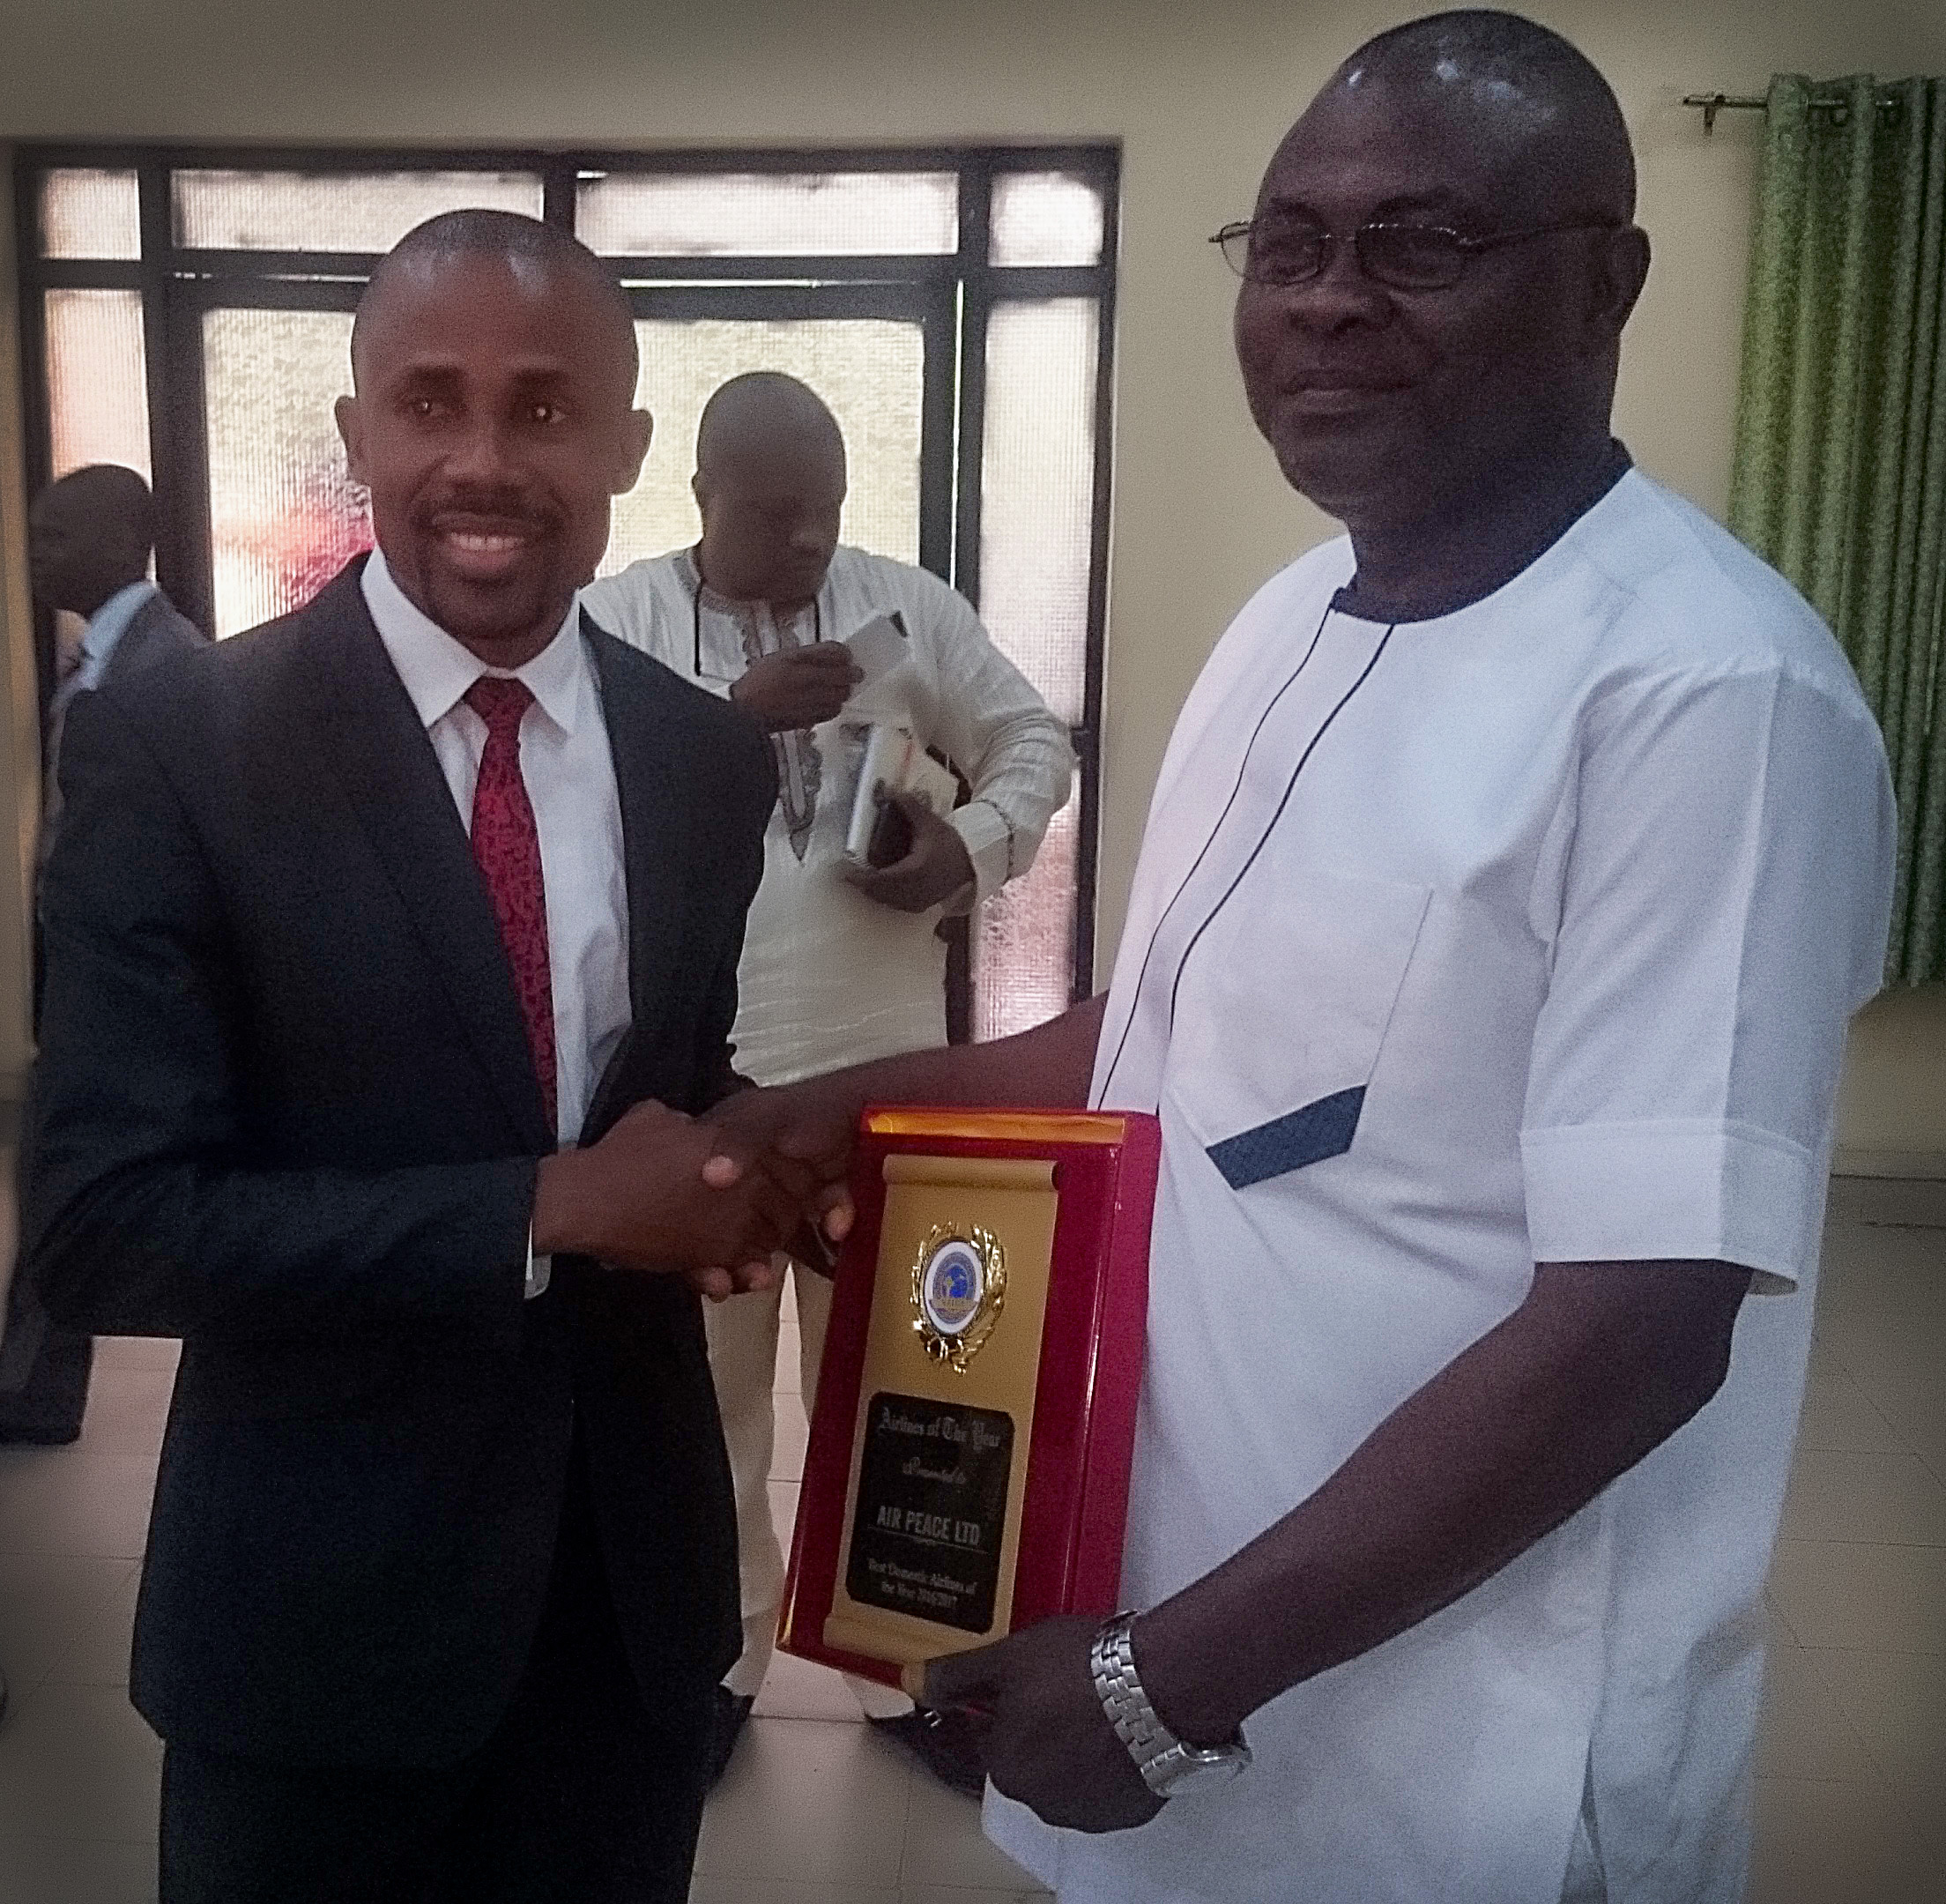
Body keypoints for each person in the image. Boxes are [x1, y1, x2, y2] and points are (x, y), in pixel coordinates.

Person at [703, 12, 1898, 1901]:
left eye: (1420, 246)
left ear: (1610, 285)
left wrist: (1174, 1684)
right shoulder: (1291, 618)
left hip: (1456, 1737)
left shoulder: (1705, 696)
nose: (1329, 305)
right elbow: (1166, 1034)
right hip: (1171, 1599)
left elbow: (1639, 1327)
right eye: (1288, 247)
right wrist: (826, 1114)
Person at [19, 210, 825, 1904]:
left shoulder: (697, 762)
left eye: (541, 410)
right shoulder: (181, 748)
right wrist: (545, 1208)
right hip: (312, 1631)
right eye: (428, 401)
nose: (481, 461)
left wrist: (760, 1170)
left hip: (627, 1612)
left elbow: (666, 1085)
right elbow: (107, 1222)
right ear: (357, 431)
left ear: (623, 444)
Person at [581, 370, 1073, 1788]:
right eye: (777, 514)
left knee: (905, 1388)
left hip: (884, 1083)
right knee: (711, 1398)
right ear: (701, 500)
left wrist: (966, 846)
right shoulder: (615, 622)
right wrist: (731, 715)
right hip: (695, 1082)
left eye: (828, 512)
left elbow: (1035, 740)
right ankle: (719, 1663)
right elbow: (576, 791)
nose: (808, 543)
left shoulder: (905, 606)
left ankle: (904, 1678)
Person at [0, 464, 207, 1449]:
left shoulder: (165, 666)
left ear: (127, 539)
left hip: (124, 976)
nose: (37, 557)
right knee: (54, 1163)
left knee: (64, 1163)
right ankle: (36, 1387)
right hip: (81, 960)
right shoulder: (101, 658)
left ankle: (35, 1387)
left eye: (55, 537)